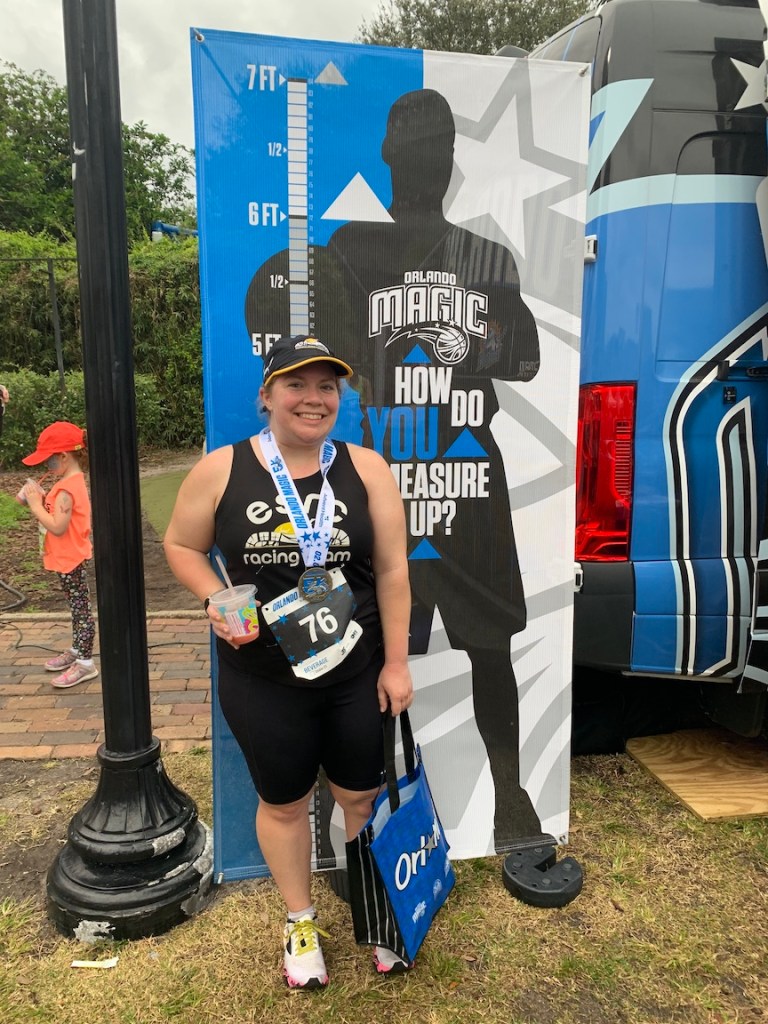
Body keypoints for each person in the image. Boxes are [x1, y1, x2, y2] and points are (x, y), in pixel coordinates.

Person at [245, 88, 543, 849]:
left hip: (467, 480)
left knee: (490, 647)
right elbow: (325, 362)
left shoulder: (488, 256)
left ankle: (511, 797)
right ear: (387, 157)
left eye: (437, 147)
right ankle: (346, 808)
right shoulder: (348, 250)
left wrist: (464, 343)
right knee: (358, 653)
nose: (425, 161)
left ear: (450, 161)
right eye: (412, 148)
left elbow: (529, 358)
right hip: (378, 486)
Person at [164, 335, 414, 990]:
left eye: (327, 386)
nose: (314, 398)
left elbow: (390, 570)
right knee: (284, 803)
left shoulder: (366, 469)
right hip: (263, 677)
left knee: (358, 793)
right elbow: (181, 545)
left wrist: (396, 664)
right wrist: (215, 595)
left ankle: (374, 908)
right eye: (297, 385)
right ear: (267, 396)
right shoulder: (221, 470)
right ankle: (300, 920)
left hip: (354, 672)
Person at [19, 421, 97, 688]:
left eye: (49, 460)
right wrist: (40, 496)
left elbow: (57, 526)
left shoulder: (67, 489)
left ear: (63, 456)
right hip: (65, 558)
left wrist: (34, 505)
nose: (46, 467)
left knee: (81, 611)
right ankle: (77, 650)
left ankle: (86, 663)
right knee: (76, 608)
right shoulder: (65, 482)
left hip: (71, 558)